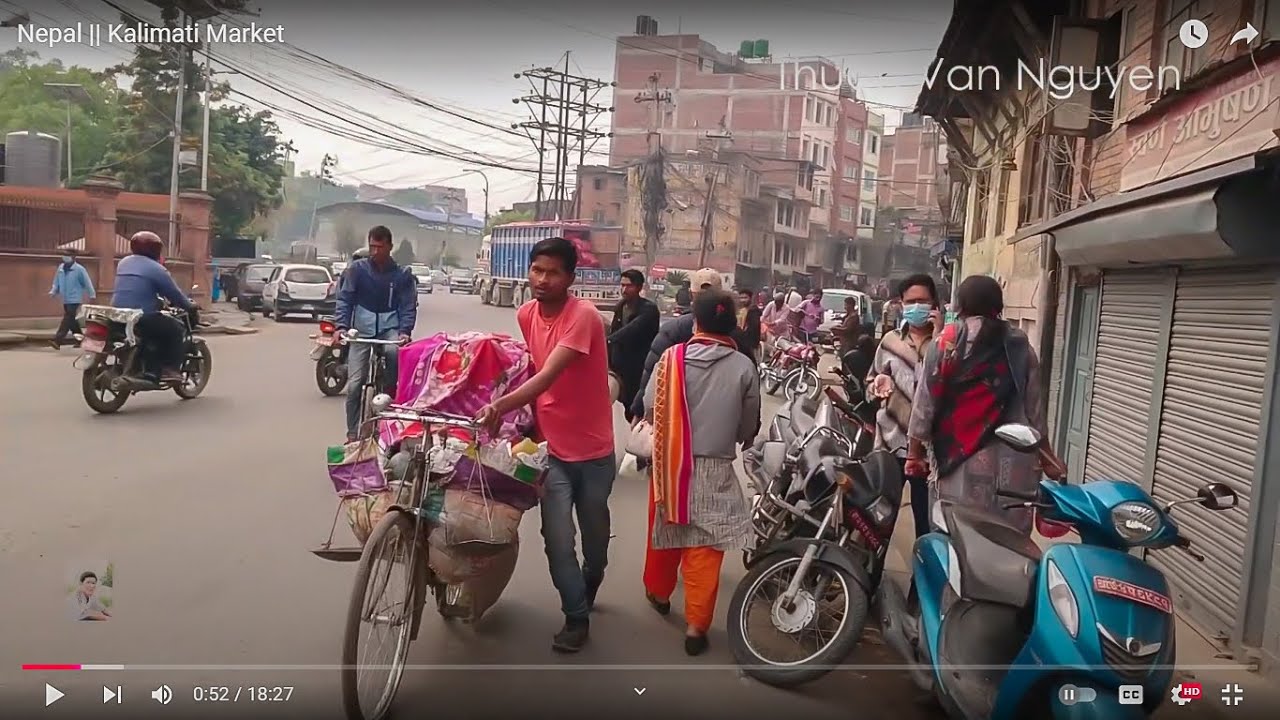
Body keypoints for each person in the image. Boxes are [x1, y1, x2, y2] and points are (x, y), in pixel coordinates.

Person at [474, 237, 616, 653]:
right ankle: (576, 617)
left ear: (570, 278)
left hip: (593, 452)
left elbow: (549, 373)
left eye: (553, 272)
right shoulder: (524, 313)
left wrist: (499, 406)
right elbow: (530, 366)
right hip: (550, 450)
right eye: (537, 270)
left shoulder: (584, 316)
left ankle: (593, 577)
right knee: (557, 540)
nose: (542, 279)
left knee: (594, 536)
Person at [643, 289, 759, 655]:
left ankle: (659, 593)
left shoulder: (671, 359)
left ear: (696, 322)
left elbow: (649, 407)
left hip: (670, 464)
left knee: (666, 532)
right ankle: (696, 626)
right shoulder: (743, 366)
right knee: (706, 549)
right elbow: (747, 427)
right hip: (716, 467)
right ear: (733, 325)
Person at [906, 275, 1065, 534]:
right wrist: (1048, 459)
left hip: (957, 465)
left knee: (957, 542)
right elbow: (1034, 411)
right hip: (1014, 468)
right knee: (1010, 545)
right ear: (999, 306)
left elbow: (925, 404)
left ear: (960, 305)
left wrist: (914, 454)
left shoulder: (946, 341)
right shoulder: (1019, 344)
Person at [866, 274, 944, 539]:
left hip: (929, 453)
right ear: (900, 304)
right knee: (878, 523)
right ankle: (869, 578)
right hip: (889, 443)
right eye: (911, 301)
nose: (916, 307)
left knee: (928, 524)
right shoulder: (890, 341)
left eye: (923, 301)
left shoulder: (946, 344)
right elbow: (870, 382)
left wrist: (942, 338)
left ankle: (921, 581)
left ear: (935, 304)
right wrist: (876, 384)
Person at [631, 268, 755, 420]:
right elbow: (751, 393)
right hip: (720, 425)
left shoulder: (673, 330)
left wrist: (639, 412)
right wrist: (749, 430)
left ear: (691, 293)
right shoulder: (737, 338)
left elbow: (651, 376)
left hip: (674, 425)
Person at [334, 226, 417, 441]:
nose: (375, 251)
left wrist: (404, 332)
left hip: (389, 329)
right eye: (372, 246)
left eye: (380, 247)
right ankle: (352, 432)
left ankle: (390, 393)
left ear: (390, 247)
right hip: (362, 330)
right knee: (354, 385)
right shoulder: (357, 270)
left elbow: (408, 306)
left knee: (392, 351)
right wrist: (341, 327)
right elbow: (345, 301)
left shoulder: (402, 275)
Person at [112, 231, 196, 383]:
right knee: (176, 329)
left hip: (118, 314)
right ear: (156, 249)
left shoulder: (124, 263)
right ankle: (170, 370)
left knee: (153, 332)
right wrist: (190, 306)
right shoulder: (156, 269)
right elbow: (174, 294)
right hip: (141, 316)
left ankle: (140, 364)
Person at [607, 269, 660, 421]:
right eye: (622, 285)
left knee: (636, 408)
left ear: (639, 287)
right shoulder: (620, 307)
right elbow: (615, 331)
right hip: (620, 367)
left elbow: (630, 331)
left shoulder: (648, 310)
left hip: (639, 368)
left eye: (628, 286)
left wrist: (608, 340)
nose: (624, 290)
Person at [49, 251, 96, 349]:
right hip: (65, 298)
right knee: (72, 321)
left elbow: (87, 282)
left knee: (67, 319)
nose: (65, 257)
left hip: (75, 298)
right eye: (64, 255)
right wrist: (53, 291)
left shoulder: (79, 269)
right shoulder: (61, 268)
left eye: (68, 256)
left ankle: (58, 340)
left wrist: (92, 295)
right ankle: (81, 339)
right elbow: (56, 281)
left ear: (73, 257)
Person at [735, 287, 763, 361]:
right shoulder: (741, 310)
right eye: (741, 298)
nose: (743, 300)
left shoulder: (753, 311)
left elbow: (753, 328)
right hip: (742, 343)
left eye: (745, 298)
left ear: (750, 298)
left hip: (750, 345)